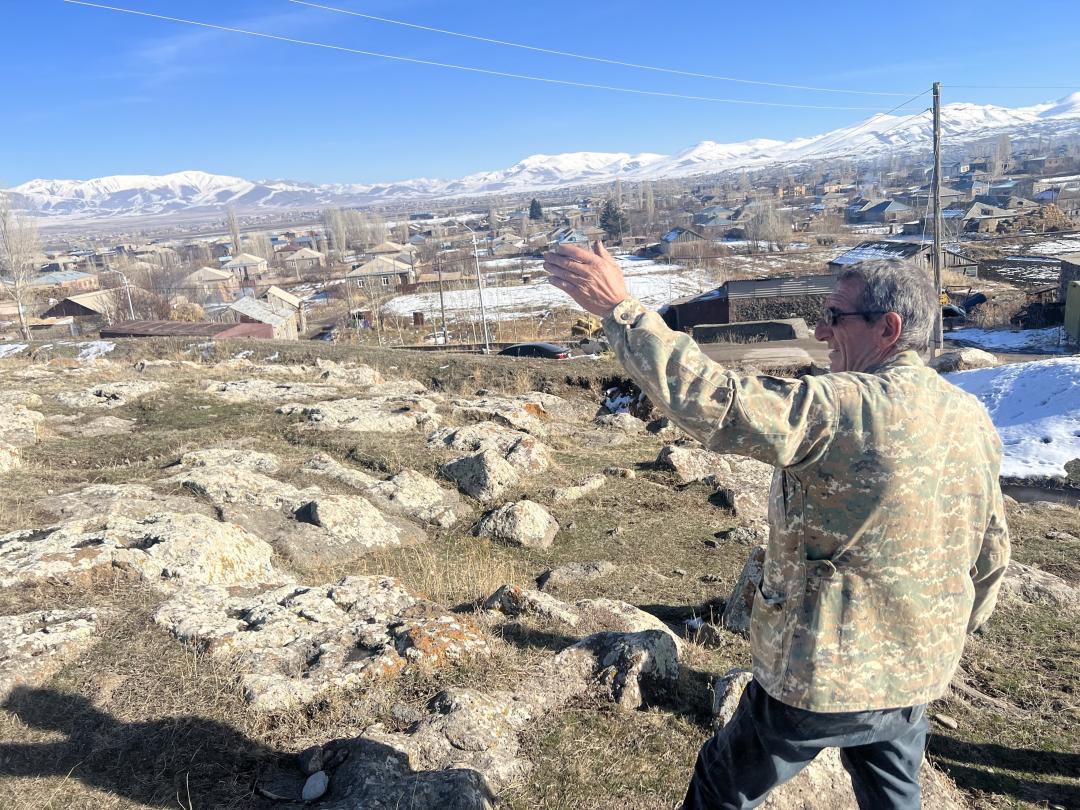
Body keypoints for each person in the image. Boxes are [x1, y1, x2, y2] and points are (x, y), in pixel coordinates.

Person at [544, 242, 1010, 810]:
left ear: (888, 328)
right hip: (916, 670)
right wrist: (949, 636)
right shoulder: (971, 416)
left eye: (835, 316)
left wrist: (622, 310)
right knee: (893, 796)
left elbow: (715, 403)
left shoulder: (840, 406)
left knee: (722, 786)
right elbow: (991, 552)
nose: (820, 329)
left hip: (824, 672)